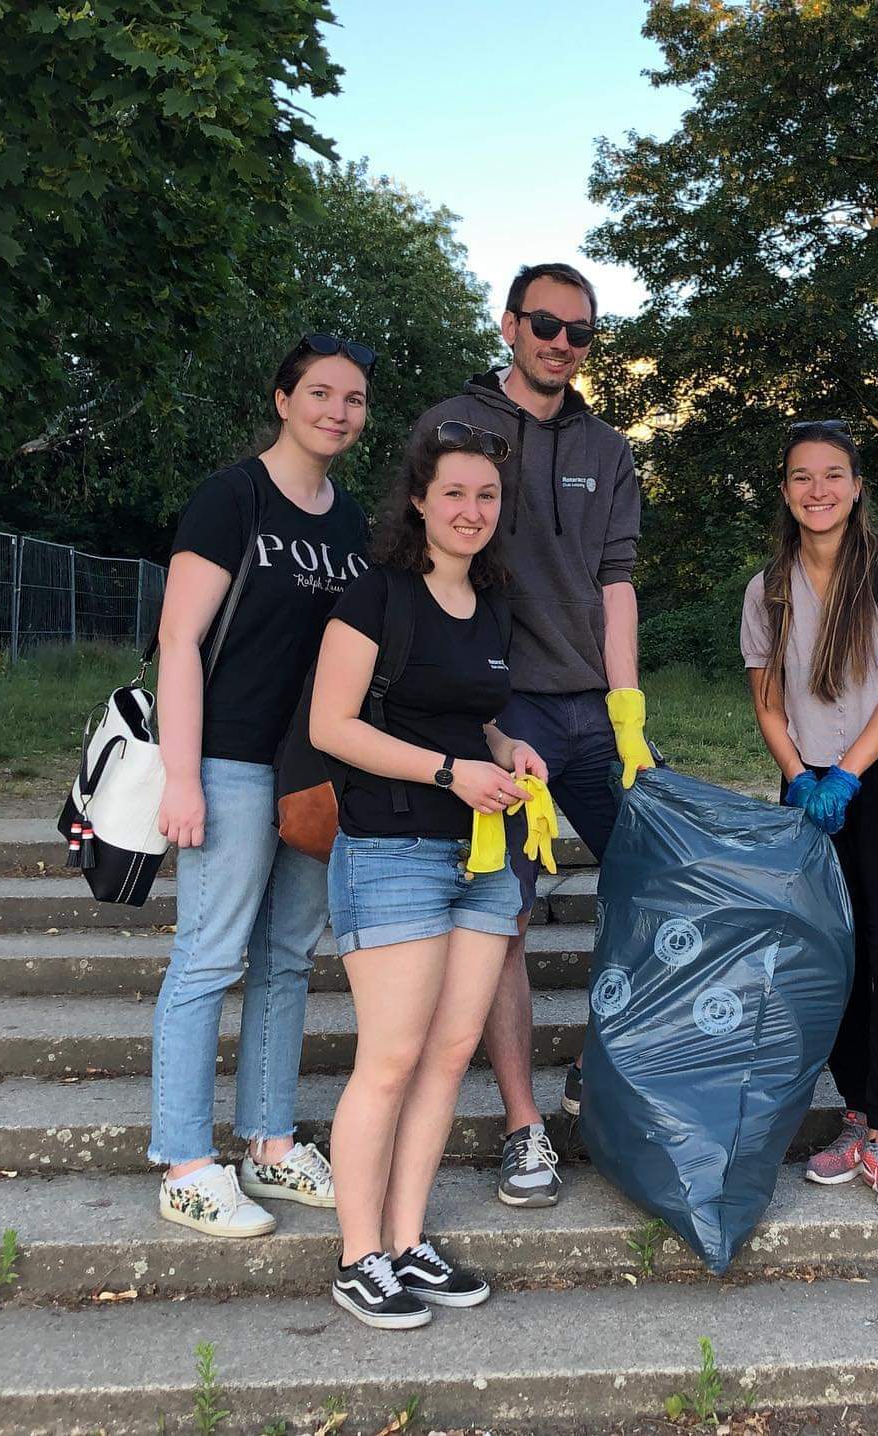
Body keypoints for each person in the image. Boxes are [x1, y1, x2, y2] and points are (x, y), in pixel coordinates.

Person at [405, 262, 651, 1209]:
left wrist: (628, 709)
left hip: (597, 708)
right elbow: (421, 565)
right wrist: (465, 711)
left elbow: (617, 580)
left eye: (580, 331)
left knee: (663, 884)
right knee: (502, 915)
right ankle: (523, 1127)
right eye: (545, 324)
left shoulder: (609, 447)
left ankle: (601, 1065)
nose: (562, 342)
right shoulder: (452, 426)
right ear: (510, 325)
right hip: (506, 713)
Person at [310, 419, 546, 1329]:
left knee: (449, 1056)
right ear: (419, 500)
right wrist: (451, 773)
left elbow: (471, 717)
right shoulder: (377, 594)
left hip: (480, 858)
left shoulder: (492, 601)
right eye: (454, 493)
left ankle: (407, 1242)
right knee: (391, 1059)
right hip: (391, 852)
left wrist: (508, 749)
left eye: (486, 495)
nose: (470, 510)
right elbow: (333, 725)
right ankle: (357, 1256)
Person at [153, 334, 373, 1236]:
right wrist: (182, 776)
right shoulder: (232, 497)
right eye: (320, 393)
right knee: (209, 956)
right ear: (283, 400)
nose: (337, 411)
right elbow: (178, 640)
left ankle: (270, 1144)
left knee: (287, 957)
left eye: (353, 399)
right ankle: (184, 1163)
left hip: (311, 771)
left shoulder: (351, 521)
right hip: (229, 759)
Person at [741, 421, 878, 1211]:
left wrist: (848, 775)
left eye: (833, 474)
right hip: (810, 786)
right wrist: (801, 777)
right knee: (831, 956)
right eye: (802, 476)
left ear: (857, 486)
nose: (818, 490)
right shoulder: (767, 588)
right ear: (785, 490)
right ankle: (856, 1115)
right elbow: (768, 701)